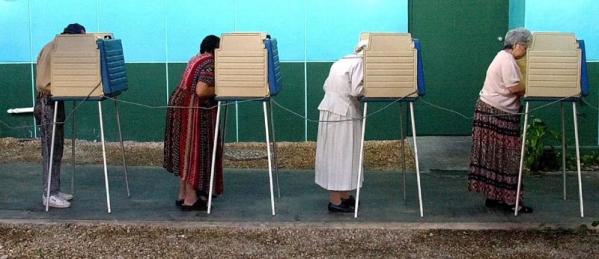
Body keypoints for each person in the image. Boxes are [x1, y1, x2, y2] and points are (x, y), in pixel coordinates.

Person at [468, 28, 533, 213]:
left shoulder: (502, 56)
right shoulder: (508, 61)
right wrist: (531, 85)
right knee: (509, 158)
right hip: (497, 113)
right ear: (518, 45)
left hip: (490, 110)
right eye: (526, 47)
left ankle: (494, 196)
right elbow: (515, 88)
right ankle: (511, 202)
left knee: (494, 157)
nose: (526, 51)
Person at [163, 35, 223, 211]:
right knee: (193, 152)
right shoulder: (210, 63)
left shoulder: (196, 58)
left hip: (180, 105)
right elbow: (202, 90)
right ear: (215, 50)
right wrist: (224, 87)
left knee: (185, 151)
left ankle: (182, 193)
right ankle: (191, 198)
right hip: (193, 110)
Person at [34, 23, 86, 208]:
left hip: (56, 101)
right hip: (47, 101)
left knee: (57, 148)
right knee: (49, 150)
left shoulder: (53, 46)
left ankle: (54, 189)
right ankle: (48, 194)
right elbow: (44, 82)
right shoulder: (54, 50)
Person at [314, 40, 368, 213]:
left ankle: (344, 195)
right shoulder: (359, 63)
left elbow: (325, 85)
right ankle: (335, 201)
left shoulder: (341, 61)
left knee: (337, 154)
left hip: (329, 109)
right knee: (342, 155)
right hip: (343, 113)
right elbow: (357, 90)